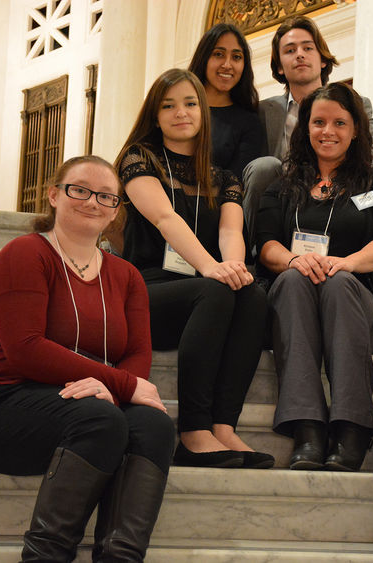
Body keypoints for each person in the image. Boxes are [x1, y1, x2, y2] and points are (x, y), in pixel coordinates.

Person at [0, 155, 176, 561]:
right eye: (79, 190)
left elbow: (136, 351)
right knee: (99, 419)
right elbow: (25, 348)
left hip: (81, 405)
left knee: (153, 424)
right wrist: (120, 385)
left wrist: (111, 389)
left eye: (106, 196)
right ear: (53, 195)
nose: (92, 202)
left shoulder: (126, 276)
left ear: (117, 209)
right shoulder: (25, 254)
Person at [114, 68, 273, 469]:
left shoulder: (224, 176)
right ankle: (193, 432)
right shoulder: (139, 159)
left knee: (251, 296)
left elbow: (231, 228)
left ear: (203, 112)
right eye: (168, 106)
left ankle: (222, 426)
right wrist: (210, 269)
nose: (180, 112)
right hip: (144, 290)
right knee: (217, 289)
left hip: (203, 295)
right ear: (154, 114)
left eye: (188, 103)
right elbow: (165, 218)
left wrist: (233, 268)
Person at [256, 82, 373, 472]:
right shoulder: (283, 185)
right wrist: (292, 261)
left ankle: (351, 428)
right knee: (290, 280)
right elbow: (266, 243)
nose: (328, 131)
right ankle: (308, 429)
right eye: (319, 122)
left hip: (355, 300)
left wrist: (347, 263)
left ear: (356, 129)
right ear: (305, 127)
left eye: (339, 123)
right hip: (296, 300)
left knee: (338, 283)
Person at [243, 15, 373, 251]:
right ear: (279, 65)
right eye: (290, 50)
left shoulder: (356, 103)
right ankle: (253, 253)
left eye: (307, 48)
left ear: (322, 59)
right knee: (264, 166)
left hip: (337, 195)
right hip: (283, 201)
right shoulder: (262, 111)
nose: (299, 54)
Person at [188, 23, 265, 183]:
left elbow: (234, 185)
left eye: (236, 57)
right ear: (204, 58)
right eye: (218, 54)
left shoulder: (249, 122)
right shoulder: (178, 108)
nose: (227, 65)